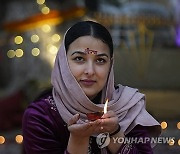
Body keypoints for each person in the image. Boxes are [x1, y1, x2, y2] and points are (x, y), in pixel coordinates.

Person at [22, 21, 161, 154]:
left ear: (110, 65)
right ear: (63, 62)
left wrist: (114, 132)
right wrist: (78, 139)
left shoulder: (127, 108)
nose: (90, 71)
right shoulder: (41, 116)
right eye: (79, 59)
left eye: (100, 60)